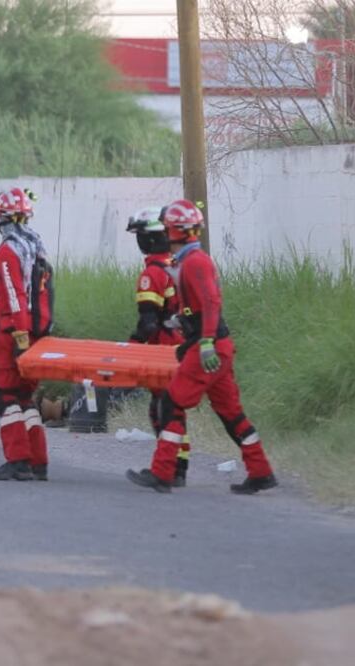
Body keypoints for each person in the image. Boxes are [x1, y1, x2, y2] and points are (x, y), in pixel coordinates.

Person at [126, 199, 278, 494]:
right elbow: (195, 307)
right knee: (231, 414)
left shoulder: (195, 262)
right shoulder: (188, 261)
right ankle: (261, 471)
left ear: (174, 231)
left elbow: (211, 302)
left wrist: (205, 341)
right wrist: (185, 328)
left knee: (171, 403)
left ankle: (163, 472)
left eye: (167, 228)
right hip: (215, 345)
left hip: (210, 347)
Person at [0, 187, 54, 482]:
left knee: (5, 395)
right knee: (26, 397)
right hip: (36, 333)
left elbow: (15, 297)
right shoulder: (36, 248)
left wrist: (20, 339)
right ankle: (38, 461)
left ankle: (18, 460)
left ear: (2, 218)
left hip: (12, 334)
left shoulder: (8, 252)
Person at [125, 207, 191, 486]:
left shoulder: (152, 273)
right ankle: (179, 467)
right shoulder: (178, 265)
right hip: (181, 345)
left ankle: (168, 469)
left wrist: (130, 348)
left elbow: (149, 322)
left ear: (149, 238)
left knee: (163, 409)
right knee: (173, 407)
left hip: (162, 348)